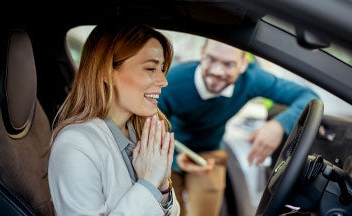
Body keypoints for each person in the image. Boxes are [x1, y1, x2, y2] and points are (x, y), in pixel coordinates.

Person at [158, 39, 320, 216]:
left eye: (228, 64)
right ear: (202, 54)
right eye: (211, 59)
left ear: (243, 64)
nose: (217, 71)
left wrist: (279, 125)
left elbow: (309, 97)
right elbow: (150, 126)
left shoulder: (252, 79)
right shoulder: (173, 81)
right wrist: (175, 156)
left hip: (210, 152)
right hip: (170, 148)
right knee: (168, 211)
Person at [48, 22, 180, 215]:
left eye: (162, 69)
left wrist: (162, 187)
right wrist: (149, 184)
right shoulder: (75, 146)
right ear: (106, 72)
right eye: (151, 68)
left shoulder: (142, 133)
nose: (164, 81)